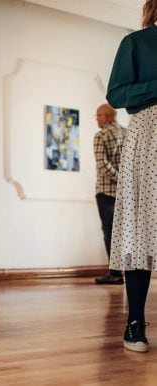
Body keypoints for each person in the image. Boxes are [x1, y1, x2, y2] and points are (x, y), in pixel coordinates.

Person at [107, 0, 157, 353]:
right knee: (140, 230)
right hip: (148, 137)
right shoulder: (136, 43)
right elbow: (117, 94)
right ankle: (135, 322)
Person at [93, 104, 126, 285]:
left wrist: (118, 178)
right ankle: (126, 270)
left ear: (107, 116)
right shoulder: (126, 132)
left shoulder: (100, 136)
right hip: (124, 193)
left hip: (105, 192)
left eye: (98, 115)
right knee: (123, 232)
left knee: (110, 232)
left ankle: (115, 273)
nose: (97, 119)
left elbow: (102, 165)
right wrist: (124, 181)